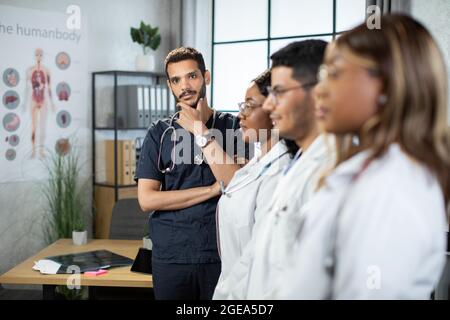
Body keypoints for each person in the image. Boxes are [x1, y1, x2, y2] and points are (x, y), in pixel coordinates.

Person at [274, 15, 450, 299]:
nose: (319, 90)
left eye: (334, 74)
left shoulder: (393, 189)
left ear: (386, 84)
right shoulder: (366, 172)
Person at [213, 40, 334, 299]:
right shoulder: (296, 166)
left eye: (279, 92)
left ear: (318, 92)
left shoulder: (327, 172)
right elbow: (256, 256)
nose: (269, 105)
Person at [135, 47, 244, 300]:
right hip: (172, 257)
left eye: (192, 76)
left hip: (222, 253)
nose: (184, 86)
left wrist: (199, 130)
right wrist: (212, 190)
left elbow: (235, 183)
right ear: (170, 85)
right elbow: (147, 200)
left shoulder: (235, 126)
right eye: (176, 80)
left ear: (206, 77)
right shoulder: (158, 133)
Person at [213, 70, 292, 297]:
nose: (240, 115)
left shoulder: (279, 171)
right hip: (234, 288)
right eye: (242, 106)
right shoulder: (255, 165)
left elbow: (258, 255)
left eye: (249, 105)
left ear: (273, 109)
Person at [23, 48, 56, 159]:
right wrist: (24, 103)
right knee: (34, 127)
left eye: (41, 54)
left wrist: (52, 104)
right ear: (34, 56)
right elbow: (26, 89)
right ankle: (33, 151)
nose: (39, 56)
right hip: (33, 100)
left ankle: (41, 151)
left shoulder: (46, 71)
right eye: (37, 54)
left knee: (42, 127)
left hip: (43, 100)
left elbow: (49, 88)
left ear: (43, 56)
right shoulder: (29, 70)